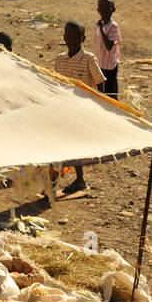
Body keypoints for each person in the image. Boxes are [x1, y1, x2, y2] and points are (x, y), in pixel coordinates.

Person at [52, 21, 104, 194]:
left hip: (82, 110)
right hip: (63, 109)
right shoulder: (60, 60)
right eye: (69, 37)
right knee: (58, 143)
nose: (72, 41)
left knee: (75, 145)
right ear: (64, 38)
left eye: (76, 38)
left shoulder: (89, 59)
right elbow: (56, 83)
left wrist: (101, 104)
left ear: (83, 39)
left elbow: (100, 83)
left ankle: (79, 179)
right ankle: (54, 181)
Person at [93, 0, 121, 96]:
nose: (104, 10)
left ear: (113, 10)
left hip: (109, 66)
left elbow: (109, 46)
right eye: (101, 7)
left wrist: (102, 30)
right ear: (98, 10)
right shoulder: (98, 25)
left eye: (107, 7)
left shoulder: (113, 26)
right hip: (100, 64)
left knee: (111, 93)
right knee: (101, 93)